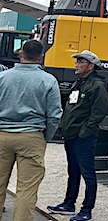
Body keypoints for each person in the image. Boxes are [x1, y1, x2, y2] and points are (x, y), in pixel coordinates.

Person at [0, 40, 62, 221]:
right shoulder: (49, 80)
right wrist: (45, 137)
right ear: (41, 57)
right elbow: (55, 114)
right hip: (31, 136)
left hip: (2, 134)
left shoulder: (3, 78)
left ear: (20, 54)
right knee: (27, 189)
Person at [48, 50, 108, 221]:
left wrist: (84, 133)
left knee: (87, 173)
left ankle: (87, 208)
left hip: (83, 137)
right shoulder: (80, 83)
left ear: (91, 66)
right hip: (71, 135)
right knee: (73, 170)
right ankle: (69, 203)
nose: (76, 65)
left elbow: (98, 113)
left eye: (80, 62)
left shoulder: (97, 86)